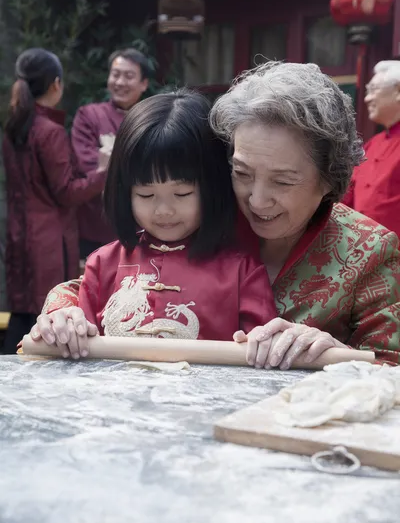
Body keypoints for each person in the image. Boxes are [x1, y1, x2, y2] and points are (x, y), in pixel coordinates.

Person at [31, 62, 400, 367]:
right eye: (242, 173)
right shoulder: (205, 214)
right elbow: (100, 279)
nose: (256, 200)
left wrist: (335, 354)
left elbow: (390, 366)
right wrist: (63, 313)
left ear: (329, 179)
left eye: (283, 182)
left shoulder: (368, 250)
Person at [27, 89, 276, 358]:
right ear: (125, 192)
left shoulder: (241, 272)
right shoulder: (102, 264)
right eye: (146, 195)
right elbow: (77, 355)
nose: (163, 210)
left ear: (212, 188)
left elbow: (263, 356)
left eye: (182, 194)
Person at [2, 48, 109, 354]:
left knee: (21, 316)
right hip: (49, 242)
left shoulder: (14, 127)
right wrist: (103, 172)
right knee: (46, 319)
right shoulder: (49, 131)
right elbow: (67, 193)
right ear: (55, 85)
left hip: (19, 238)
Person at [72, 48, 150, 258]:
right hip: (95, 227)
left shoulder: (151, 119)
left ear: (144, 83)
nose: (120, 82)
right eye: (115, 74)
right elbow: (87, 164)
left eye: (129, 76)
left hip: (142, 226)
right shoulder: (89, 115)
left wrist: (109, 163)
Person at [343, 61, 400, 237]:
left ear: (398, 91)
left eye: (374, 90)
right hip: (363, 251)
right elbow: (347, 194)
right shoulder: (373, 143)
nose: (367, 98)